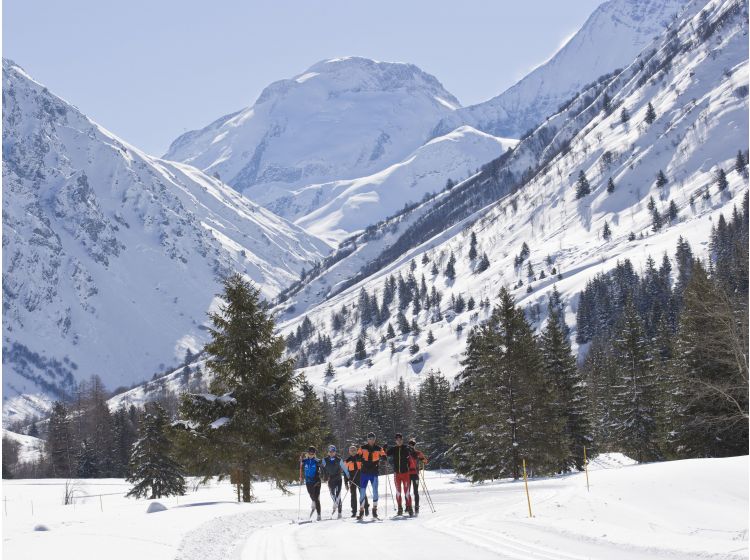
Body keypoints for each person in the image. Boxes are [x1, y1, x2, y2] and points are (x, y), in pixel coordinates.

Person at [357, 432, 387, 519]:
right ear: (367, 439)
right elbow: (358, 456)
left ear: (375, 439)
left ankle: (374, 510)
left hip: (374, 473)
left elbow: (383, 455)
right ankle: (361, 511)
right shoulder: (362, 448)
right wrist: (358, 458)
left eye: (373, 439)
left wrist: (384, 455)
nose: (371, 440)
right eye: (369, 439)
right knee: (362, 492)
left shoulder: (378, 448)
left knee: (375, 491)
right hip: (364, 473)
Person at [386, 433, 416, 516]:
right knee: (398, 492)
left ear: (402, 440)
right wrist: (384, 449)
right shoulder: (393, 449)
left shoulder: (406, 447)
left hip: (406, 473)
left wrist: (411, 448)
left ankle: (409, 507)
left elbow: (413, 453)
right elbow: (385, 454)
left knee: (407, 492)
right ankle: (400, 508)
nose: (399, 441)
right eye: (397, 440)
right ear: (395, 441)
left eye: (400, 440)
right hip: (397, 474)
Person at [321, 444, 349, 518]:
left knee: (338, 495)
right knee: (332, 494)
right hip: (330, 479)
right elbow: (321, 468)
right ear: (328, 452)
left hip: (338, 479)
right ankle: (336, 504)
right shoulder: (324, 460)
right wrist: (323, 476)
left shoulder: (339, 460)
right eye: (330, 451)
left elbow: (345, 469)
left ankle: (339, 513)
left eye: (333, 451)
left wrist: (349, 476)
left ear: (335, 452)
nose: (331, 453)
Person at [344, 444, 369, 518]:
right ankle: (354, 511)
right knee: (353, 496)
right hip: (352, 481)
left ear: (356, 450)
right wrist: (346, 483)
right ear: (349, 452)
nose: (353, 451)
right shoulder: (347, 461)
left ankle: (366, 508)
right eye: (351, 450)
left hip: (361, 479)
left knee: (363, 494)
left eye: (354, 450)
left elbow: (365, 466)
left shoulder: (360, 458)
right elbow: (345, 473)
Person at [300, 446, 322, 521]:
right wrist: (300, 460)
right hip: (308, 481)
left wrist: (322, 474)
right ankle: (314, 504)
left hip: (316, 481)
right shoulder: (305, 460)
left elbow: (322, 467)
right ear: (308, 452)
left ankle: (319, 515)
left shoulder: (317, 461)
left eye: (313, 452)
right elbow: (299, 465)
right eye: (310, 452)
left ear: (314, 453)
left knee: (316, 498)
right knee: (311, 495)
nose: (311, 453)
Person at [407, 437, 428, 516]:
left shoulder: (417, 452)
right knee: (407, 492)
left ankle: (416, 508)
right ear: (409, 445)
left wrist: (423, 460)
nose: (411, 445)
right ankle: (409, 507)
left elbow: (425, 461)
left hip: (415, 474)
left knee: (415, 492)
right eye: (410, 444)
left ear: (414, 445)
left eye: (413, 444)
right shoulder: (407, 453)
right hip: (408, 474)